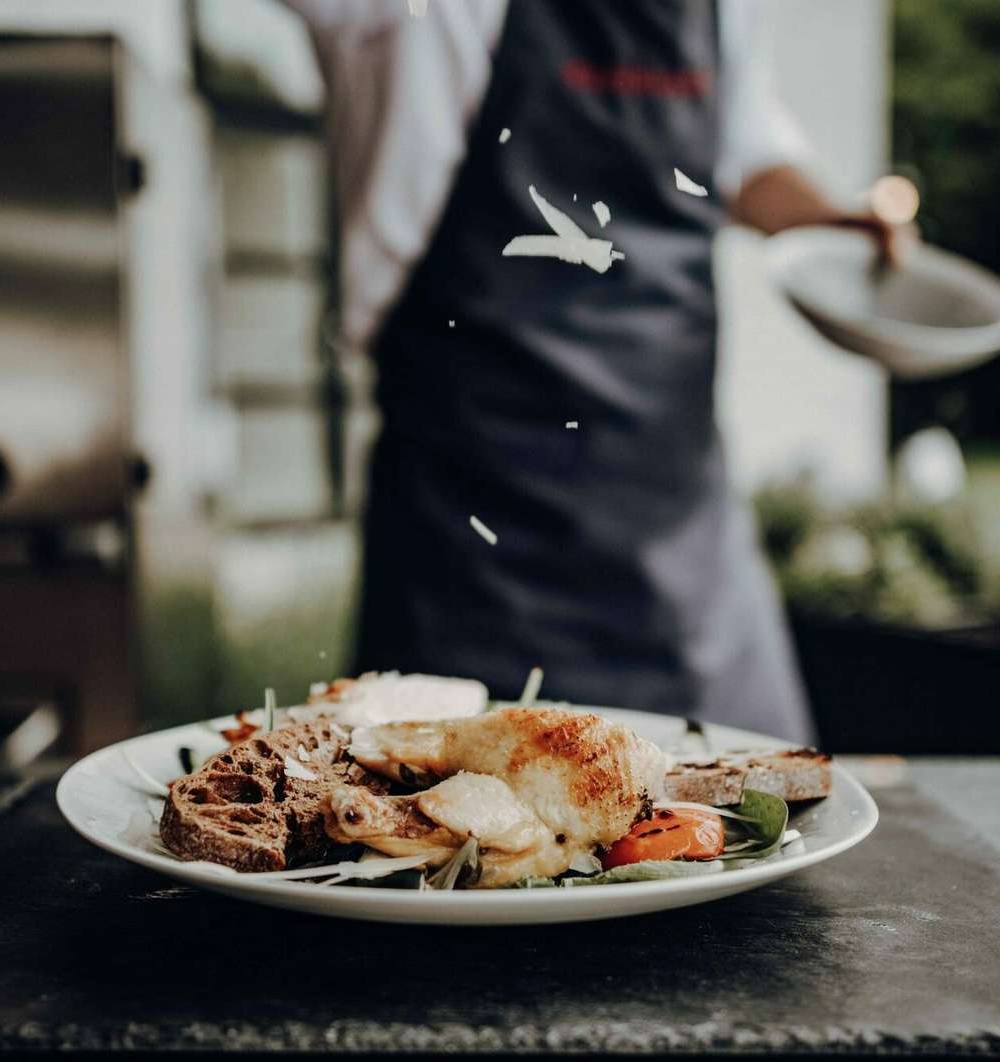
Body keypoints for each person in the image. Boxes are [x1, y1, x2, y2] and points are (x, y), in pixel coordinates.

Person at [282, 0, 903, 742]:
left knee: (765, 819)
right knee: (452, 829)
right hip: (470, 533)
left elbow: (744, 148)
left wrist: (836, 226)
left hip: (682, 532)